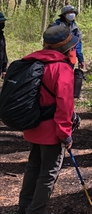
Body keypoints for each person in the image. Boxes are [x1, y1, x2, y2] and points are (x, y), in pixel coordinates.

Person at [17, 24, 79, 214]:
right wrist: (65, 134)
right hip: (51, 130)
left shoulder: (32, 61)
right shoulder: (61, 69)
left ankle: (23, 207)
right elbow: (64, 105)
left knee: (33, 167)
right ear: (66, 48)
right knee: (48, 173)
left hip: (32, 125)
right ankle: (35, 211)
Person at [53, 5, 84, 69]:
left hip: (71, 56)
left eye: (73, 12)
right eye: (69, 12)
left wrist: (81, 59)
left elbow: (78, 43)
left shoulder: (75, 27)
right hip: (58, 56)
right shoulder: (56, 26)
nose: (72, 14)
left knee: (69, 74)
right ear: (64, 15)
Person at [0, 11, 8, 79]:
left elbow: (3, 52)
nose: (2, 24)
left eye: (3, 22)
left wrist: (4, 69)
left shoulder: (1, 36)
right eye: (0, 22)